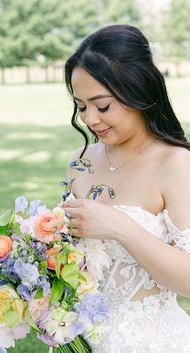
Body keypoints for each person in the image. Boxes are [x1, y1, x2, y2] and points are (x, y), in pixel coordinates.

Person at [61, 24, 190, 353]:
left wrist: (122, 228)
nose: (90, 119)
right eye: (81, 106)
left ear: (139, 92)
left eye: (102, 106)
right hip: (81, 336)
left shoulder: (176, 164)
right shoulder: (81, 160)